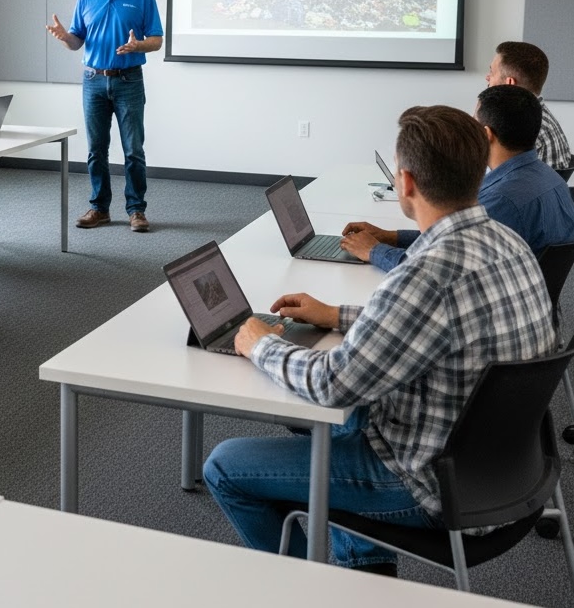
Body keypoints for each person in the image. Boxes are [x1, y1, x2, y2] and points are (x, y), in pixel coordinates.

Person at [204, 105, 556, 574]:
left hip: (428, 484)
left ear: (406, 183)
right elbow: (424, 323)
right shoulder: (510, 244)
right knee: (338, 424)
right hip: (509, 470)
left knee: (225, 465)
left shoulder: (426, 274)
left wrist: (258, 343)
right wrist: (334, 315)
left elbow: (333, 384)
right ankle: (367, 577)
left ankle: (293, 588)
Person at [342, 85, 574, 270]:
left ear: (485, 134)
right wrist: (390, 237)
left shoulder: (502, 200)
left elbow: (430, 270)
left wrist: (374, 251)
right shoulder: (548, 178)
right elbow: (452, 238)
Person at [46, 0, 163, 233]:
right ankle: (99, 208)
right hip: (93, 81)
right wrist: (64, 38)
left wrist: (139, 46)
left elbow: (157, 40)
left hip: (128, 80)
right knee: (96, 149)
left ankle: (136, 210)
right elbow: (77, 41)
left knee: (133, 148)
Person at [486, 40, 571, 170]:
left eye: (492, 72)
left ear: (509, 83)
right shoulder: (534, 119)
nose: (487, 77)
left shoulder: (523, 127)